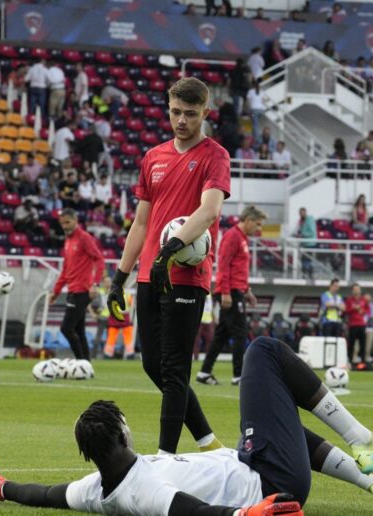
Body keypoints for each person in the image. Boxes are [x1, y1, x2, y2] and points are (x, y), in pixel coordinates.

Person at [0, 337, 373, 515]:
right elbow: (189, 510)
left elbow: (45, 494)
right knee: (264, 350)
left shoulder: (94, 487)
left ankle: (368, 478)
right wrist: (248, 515)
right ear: (123, 435)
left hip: (252, 463)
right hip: (272, 481)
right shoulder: (141, 491)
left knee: (264, 429)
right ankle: (360, 438)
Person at [107, 77, 231, 455]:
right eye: (175, 112)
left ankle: (165, 457)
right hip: (150, 273)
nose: (181, 120)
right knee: (153, 365)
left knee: (175, 369)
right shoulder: (153, 157)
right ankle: (209, 442)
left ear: (205, 113)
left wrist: (170, 250)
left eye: (190, 114)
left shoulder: (215, 156)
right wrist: (119, 277)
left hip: (187, 275)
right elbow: (141, 223)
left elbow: (209, 211)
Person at [197, 206, 267, 386]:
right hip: (230, 292)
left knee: (221, 335)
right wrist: (226, 292)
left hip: (236, 291)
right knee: (240, 333)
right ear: (248, 220)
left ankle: (204, 372)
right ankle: (238, 376)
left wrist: (247, 290)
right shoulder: (233, 236)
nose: (258, 229)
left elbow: (238, 269)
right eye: (258, 224)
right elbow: (224, 265)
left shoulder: (242, 238)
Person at [49, 208, 104, 360]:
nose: (65, 226)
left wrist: (95, 284)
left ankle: (81, 362)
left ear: (76, 220)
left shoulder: (84, 238)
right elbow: (65, 269)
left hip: (82, 290)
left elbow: (99, 259)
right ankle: (86, 364)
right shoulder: (68, 240)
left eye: (68, 222)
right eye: (62, 223)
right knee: (79, 331)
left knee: (66, 328)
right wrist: (56, 292)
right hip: (72, 290)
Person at [345, 283, 370, 366]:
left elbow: (368, 311)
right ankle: (350, 361)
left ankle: (363, 362)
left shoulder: (363, 300)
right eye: (355, 289)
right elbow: (346, 310)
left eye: (358, 289)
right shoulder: (349, 300)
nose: (357, 291)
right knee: (351, 344)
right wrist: (354, 308)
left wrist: (363, 311)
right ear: (352, 291)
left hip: (362, 325)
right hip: (352, 325)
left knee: (363, 344)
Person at [295, 207, 317, 279]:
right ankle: (306, 273)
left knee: (306, 259)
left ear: (305, 212)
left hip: (310, 244)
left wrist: (302, 235)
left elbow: (311, 232)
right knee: (304, 259)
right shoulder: (302, 221)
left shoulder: (309, 220)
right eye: (300, 213)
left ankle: (307, 273)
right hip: (304, 243)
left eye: (302, 213)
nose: (301, 215)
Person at [193, 293, 214, 361]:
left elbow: (211, 308)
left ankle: (208, 357)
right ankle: (196, 356)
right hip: (200, 320)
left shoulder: (210, 296)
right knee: (196, 340)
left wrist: (213, 318)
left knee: (210, 340)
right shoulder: (201, 294)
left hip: (209, 320)